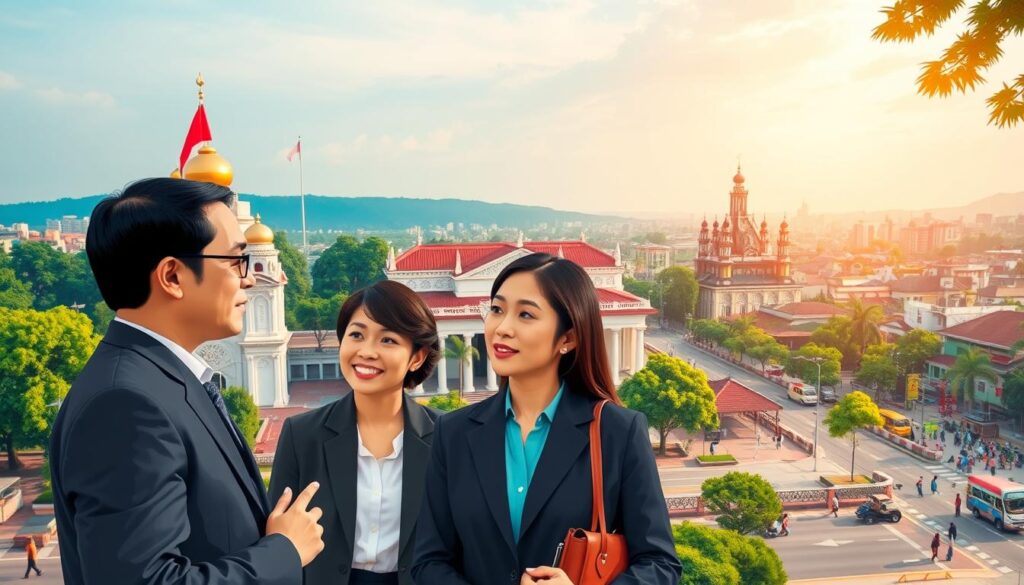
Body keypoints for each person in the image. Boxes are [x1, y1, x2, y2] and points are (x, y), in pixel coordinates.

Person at [49, 178, 324, 584]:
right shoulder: (125, 405)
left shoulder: (161, 380)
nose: (248, 279)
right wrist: (283, 551)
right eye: (235, 261)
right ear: (172, 276)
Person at [412, 253, 682, 585]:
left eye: (525, 314)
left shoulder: (618, 432)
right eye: (497, 309)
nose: (502, 328)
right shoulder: (453, 432)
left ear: (567, 338)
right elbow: (428, 561)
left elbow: (660, 564)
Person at [269, 282, 441, 585]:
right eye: (357, 335)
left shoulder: (445, 437)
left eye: (387, 340)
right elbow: (276, 542)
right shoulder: (302, 435)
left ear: (417, 357)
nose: (366, 352)